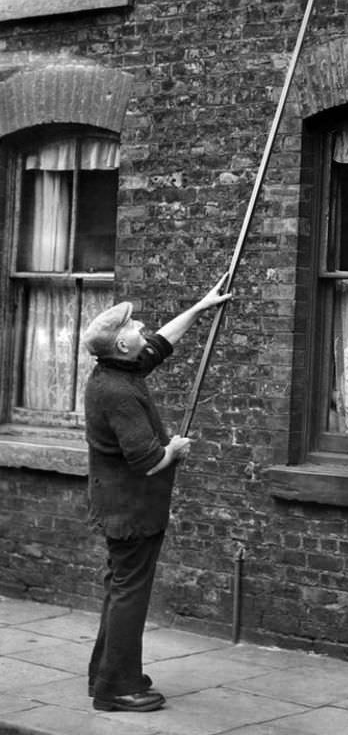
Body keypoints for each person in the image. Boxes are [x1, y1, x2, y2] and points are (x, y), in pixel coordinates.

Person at [83, 274, 231, 713]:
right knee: (130, 594)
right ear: (122, 346)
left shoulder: (115, 369)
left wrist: (201, 306)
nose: (141, 327)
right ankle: (118, 689)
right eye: (132, 327)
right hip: (132, 509)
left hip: (118, 505)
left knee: (119, 589)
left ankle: (104, 676)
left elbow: (160, 343)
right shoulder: (118, 392)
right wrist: (175, 449)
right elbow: (147, 459)